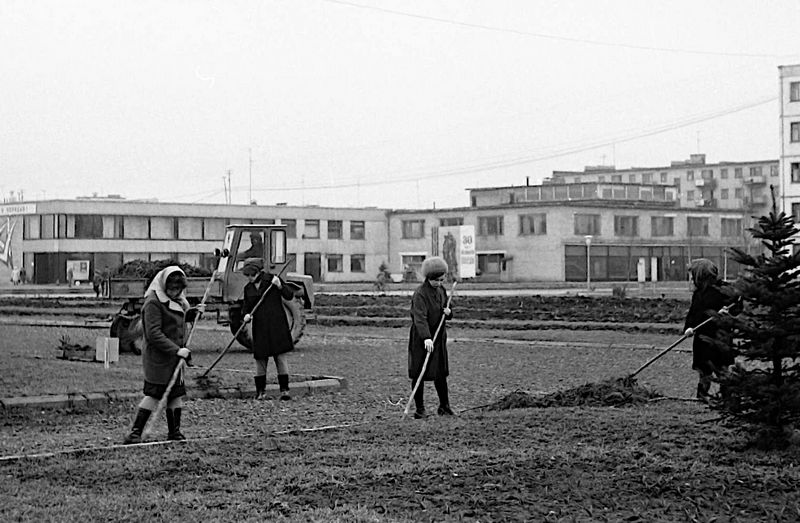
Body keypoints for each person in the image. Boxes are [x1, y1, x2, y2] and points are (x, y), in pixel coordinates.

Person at [123, 266, 196, 444]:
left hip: (175, 357)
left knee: (175, 394)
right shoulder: (153, 303)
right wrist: (176, 350)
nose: (174, 293)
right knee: (154, 393)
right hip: (159, 358)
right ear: (164, 285)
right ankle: (135, 433)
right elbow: (154, 334)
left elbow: (176, 322)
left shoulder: (179, 301)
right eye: (171, 289)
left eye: (178, 290)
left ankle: (174, 432)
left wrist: (193, 313)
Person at [683, 258, 738, 401]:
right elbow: (694, 314)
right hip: (702, 339)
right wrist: (689, 328)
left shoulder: (724, 290)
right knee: (703, 371)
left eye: (693, 275)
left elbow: (737, 305)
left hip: (720, 338)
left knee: (722, 370)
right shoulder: (699, 294)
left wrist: (728, 311)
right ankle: (702, 397)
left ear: (700, 275)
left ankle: (728, 398)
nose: (691, 279)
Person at [241, 258, 295, 400]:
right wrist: (246, 315)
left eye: (252, 275)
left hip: (277, 325)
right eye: (247, 275)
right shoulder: (248, 288)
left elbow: (289, 295)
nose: (250, 278)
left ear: (258, 272)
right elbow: (246, 306)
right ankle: (261, 392)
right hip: (260, 328)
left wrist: (280, 286)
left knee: (280, 357)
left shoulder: (273, 280)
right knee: (260, 359)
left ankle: (284, 391)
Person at [408, 256, 454, 419]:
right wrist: (426, 337)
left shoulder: (441, 290)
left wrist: (448, 312)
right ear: (429, 278)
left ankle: (444, 407)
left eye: (442, 280)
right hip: (422, 339)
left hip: (438, 337)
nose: (439, 283)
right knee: (419, 373)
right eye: (436, 280)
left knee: (440, 373)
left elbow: (446, 308)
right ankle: (420, 410)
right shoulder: (420, 294)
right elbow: (419, 318)